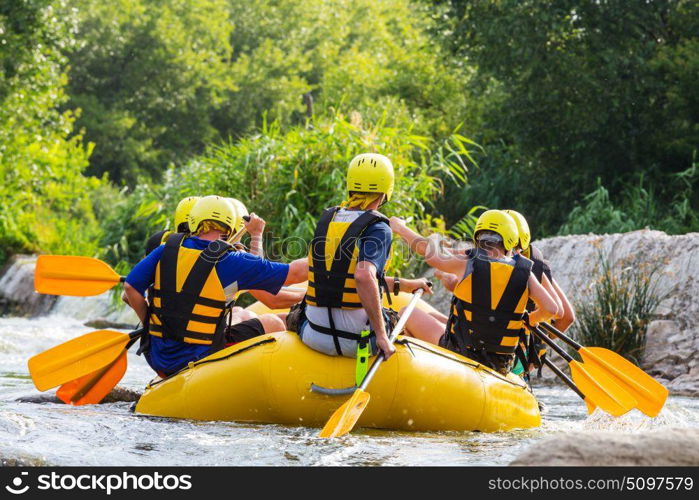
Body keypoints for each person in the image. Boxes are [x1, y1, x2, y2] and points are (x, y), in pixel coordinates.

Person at [123, 195, 309, 376]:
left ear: (194, 222)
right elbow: (293, 274)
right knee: (274, 323)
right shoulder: (229, 260)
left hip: (158, 357)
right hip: (200, 357)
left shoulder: (165, 249)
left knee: (240, 313)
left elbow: (130, 288)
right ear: (229, 228)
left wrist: (149, 323)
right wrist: (329, 255)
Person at [290, 153, 431, 360]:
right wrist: (382, 336)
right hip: (357, 342)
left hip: (313, 336)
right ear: (385, 191)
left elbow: (343, 277)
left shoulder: (329, 219)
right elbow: (364, 277)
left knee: (295, 313)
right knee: (400, 320)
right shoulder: (379, 228)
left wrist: (405, 284)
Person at [389, 209, 559, 374]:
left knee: (406, 312)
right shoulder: (526, 273)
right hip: (501, 363)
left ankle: (418, 375)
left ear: (478, 236)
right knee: (436, 319)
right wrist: (530, 319)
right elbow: (552, 309)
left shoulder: (468, 262)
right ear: (510, 241)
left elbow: (433, 257)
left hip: (461, 352)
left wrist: (432, 238)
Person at [502, 209, 575, 377]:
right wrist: (536, 338)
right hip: (523, 358)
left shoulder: (491, 262)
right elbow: (566, 317)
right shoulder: (536, 265)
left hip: (498, 354)